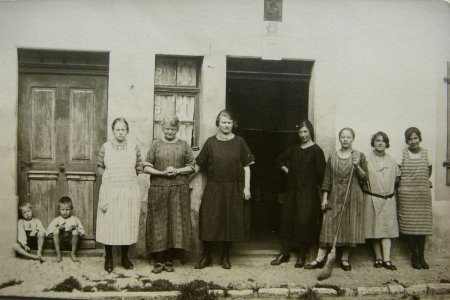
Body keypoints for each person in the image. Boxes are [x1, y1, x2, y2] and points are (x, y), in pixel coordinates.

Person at [194, 110, 255, 270]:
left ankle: (225, 257)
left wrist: (246, 187)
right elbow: (199, 164)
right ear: (218, 123)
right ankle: (206, 256)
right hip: (214, 186)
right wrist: (185, 177)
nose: (226, 125)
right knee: (209, 220)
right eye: (223, 122)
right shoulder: (210, 142)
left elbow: (247, 167)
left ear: (232, 124)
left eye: (229, 122)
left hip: (234, 188)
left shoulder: (240, 142)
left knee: (230, 222)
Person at [305, 127, 368, 271]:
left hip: (353, 197)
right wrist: (325, 198)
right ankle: (319, 259)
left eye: (348, 137)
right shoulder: (332, 156)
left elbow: (365, 177)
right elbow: (327, 178)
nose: (345, 139)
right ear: (339, 138)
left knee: (349, 227)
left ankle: (344, 259)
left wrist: (357, 165)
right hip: (335, 196)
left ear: (353, 139)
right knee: (327, 226)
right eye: (343, 137)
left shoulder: (359, 155)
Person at [270, 120, 326, 268]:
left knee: (304, 222)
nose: (303, 135)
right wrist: (288, 171)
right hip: (292, 192)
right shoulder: (294, 149)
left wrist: (323, 196)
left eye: (305, 132)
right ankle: (284, 253)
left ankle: (302, 255)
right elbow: (279, 160)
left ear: (310, 132)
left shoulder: (317, 151)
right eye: (300, 132)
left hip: (308, 194)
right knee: (286, 220)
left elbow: (322, 176)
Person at [144, 115, 195, 273]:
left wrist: (177, 170)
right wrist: (160, 173)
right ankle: (158, 260)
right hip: (158, 189)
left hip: (178, 189)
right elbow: (145, 166)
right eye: (167, 129)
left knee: (175, 222)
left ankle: (169, 260)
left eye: (173, 129)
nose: (170, 132)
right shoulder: (155, 145)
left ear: (177, 129)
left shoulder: (184, 145)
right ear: (162, 128)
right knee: (158, 223)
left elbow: (192, 166)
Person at [96, 118, 143, 273]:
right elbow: (99, 166)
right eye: (117, 129)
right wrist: (109, 180)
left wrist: (129, 181)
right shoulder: (106, 147)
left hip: (128, 190)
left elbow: (139, 167)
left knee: (126, 224)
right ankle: (109, 258)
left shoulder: (134, 147)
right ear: (113, 130)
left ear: (127, 131)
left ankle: (124, 257)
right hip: (110, 189)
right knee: (109, 224)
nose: (120, 132)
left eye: (123, 130)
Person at [364, 132, 400, 270]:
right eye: (377, 140)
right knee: (374, 229)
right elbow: (362, 178)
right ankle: (378, 258)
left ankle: (387, 259)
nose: (380, 143)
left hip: (388, 199)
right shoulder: (366, 159)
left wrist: (389, 190)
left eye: (383, 141)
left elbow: (397, 178)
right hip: (372, 197)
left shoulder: (391, 160)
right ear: (373, 142)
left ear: (387, 143)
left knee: (387, 229)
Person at [397, 127, 433, 269]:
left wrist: (421, 183)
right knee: (409, 226)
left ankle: (422, 257)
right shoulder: (403, 154)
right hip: (407, 195)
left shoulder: (426, 153)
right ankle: (414, 256)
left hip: (422, 195)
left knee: (422, 226)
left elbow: (428, 171)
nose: (413, 141)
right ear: (407, 141)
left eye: (415, 138)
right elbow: (398, 173)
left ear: (420, 138)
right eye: (410, 139)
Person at [46, 196, 85, 262]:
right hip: (60, 244)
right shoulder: (57, 220)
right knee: (55, 231)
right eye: (62, 209)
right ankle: (58, 254)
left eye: (67, 209)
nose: (65, 212)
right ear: (59, 209)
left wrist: (75, 228)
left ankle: (73, 253)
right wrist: (58, 228)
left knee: (75, 232)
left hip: (71, 244)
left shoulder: (75, 219)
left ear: (71, 209)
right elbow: (47, 232)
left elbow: (83, 232)